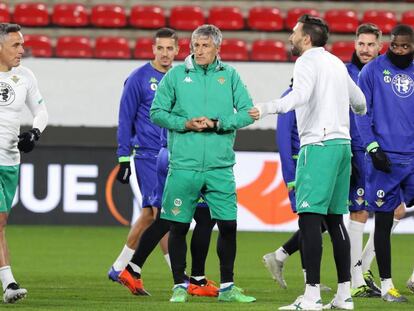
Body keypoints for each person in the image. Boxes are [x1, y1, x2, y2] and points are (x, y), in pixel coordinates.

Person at [250, 14, 366, 310]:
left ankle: (312, 297)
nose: (290, 36)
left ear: (306, 38)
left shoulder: (306, 62)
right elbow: (361, 102)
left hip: (318, 146)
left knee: (310, 220)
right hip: (342, 146)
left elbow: (297, 97)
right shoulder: (337, 64)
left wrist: (266, 108)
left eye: (294, 32)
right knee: (335, 221)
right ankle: (344, 296)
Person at [150, 24, 256, 303]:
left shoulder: (230, 75)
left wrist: (219, 124)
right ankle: (179, 286)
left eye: (205, 45)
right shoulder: (175, 75)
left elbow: (248, 113)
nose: (198, 50)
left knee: (229, 225)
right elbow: (157, 113)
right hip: (184, 165)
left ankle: (228, 287)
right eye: (195, 45)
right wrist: (184, 123)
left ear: (217, 47)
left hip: (220, 166)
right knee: (178, 226)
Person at [108, 28, 178, 282]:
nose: (165, 53)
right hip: (148, 155)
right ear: (153, 49)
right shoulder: (138, 78)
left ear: (177, 51)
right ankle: (176, 275)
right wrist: (123, 157)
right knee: (159, 214)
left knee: (155, 214)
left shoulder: (180, 78)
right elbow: (125, 119)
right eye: (160, 48)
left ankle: (121, 267)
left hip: (173, 155)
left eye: (170, 48)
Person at [117, 127, 218, 297]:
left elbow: (160, 115)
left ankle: (133, 268)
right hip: (185, 157)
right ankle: (195, 281)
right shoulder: (194, 100)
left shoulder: (165, 100)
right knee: (204, 218)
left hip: (167, 153)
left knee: (166, 219)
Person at [355, 24, 414, 303]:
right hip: (384, 158)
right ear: (388, 44)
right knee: (383, 221)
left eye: (406, 46)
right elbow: (360, 112)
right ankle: (387, 285)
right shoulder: (372, 71)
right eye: (396, 46)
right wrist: (372, 146)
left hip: (413, 156)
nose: (400, 51)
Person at [262, 80, 331, 293]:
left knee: (320, 222)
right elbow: (283, 139)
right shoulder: (290, 97)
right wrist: (290, 176)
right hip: (300, 168)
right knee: (312, 222)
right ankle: (310, 281)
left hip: (317, 165)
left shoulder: (314, 96)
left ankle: (281, 256)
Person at [0, 23, 48, 303]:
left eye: (22, 44)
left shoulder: (25, 76)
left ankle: (7, 283)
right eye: (16, 45)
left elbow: (41, 110)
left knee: (2, 222)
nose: (22, 50)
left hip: (10, 161)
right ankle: (9, 283)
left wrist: (35, 133)